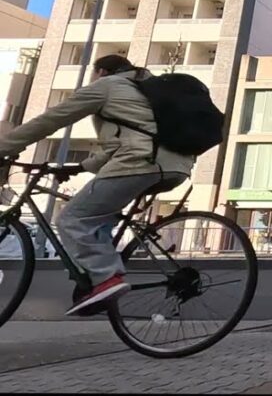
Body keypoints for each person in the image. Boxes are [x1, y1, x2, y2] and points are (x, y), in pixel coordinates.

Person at [0, 54, 194, 315]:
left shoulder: (107, 86)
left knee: (72, 218)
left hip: (140, 164)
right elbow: (125, 143)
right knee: (100, 217)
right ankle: (97, 285)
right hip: (175, 167)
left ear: (101, 71)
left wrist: (4, 147)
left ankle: (106, 279)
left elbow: (52, 119)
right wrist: (79, 167)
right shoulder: (147, 90)